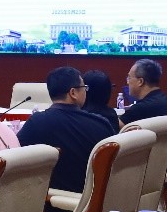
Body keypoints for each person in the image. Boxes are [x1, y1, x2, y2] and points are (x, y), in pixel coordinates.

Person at [15, 66, 116, 200]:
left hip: (48, 203)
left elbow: (16, 158)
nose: (86, 92)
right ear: (73, 93)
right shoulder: (101, 124)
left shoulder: (36, 122)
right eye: (84, 88)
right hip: (94, 202)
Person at [119, 58, 167, 126]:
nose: (127, 82)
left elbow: (114, 129)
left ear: (140, 81)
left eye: (129, 78)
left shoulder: (139, 109)